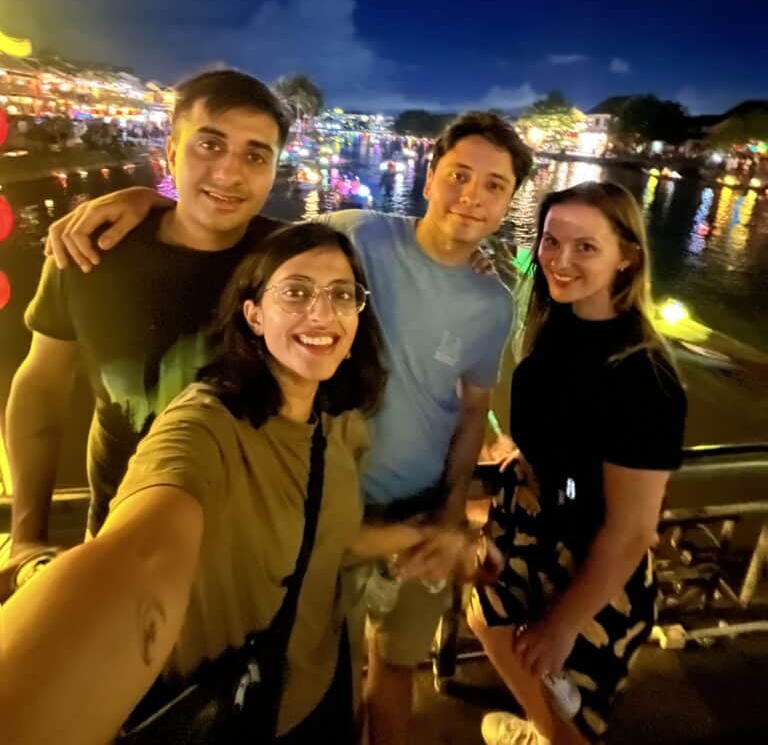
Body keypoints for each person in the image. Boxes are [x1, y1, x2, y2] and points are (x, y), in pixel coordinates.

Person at [40, 110, 534, 745]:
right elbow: (248, 240)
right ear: (431, 176)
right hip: (326, 503)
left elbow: (472, 410)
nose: (473, 195)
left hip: (418, 512)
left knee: (395, 673)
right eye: (460, 174)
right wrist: (152, 198)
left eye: (495, 185)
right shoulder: (360, 235)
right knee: (323, 662)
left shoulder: (492, 302)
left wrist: (446, 513)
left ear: (509, 200)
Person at [2, 222, 424, 743]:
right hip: (235, 714)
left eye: (341, 295)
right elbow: (144, 556)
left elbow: (317, 535)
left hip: (322, 696)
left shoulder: (338, 423)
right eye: (295, 292)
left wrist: (424, 540)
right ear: (253, 315)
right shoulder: (206, 426)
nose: (322, 312)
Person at [0, 68, 290, 587]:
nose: (229, 173)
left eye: (255, 155)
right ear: (171, 153)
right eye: (210, 145)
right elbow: (41, 386)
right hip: (119, 536)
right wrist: (27, 536)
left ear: (273, 172)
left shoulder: (293, 264)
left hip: (252, 546)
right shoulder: (89, 252)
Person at [467, 181, 687, 745]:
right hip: (536, 521)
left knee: (565, 696)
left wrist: (563, 624)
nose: (559, 261)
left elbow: (633, 527)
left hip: (595, 555)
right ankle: (541, 730)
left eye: (585, 247)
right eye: (550, 242)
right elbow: (557, 433)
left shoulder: (645, 378)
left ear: (628, 256)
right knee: (485, 617)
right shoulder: (556, 330)